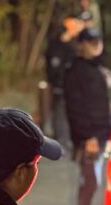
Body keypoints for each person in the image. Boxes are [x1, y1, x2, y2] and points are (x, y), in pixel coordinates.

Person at [63, 27, 111, 205]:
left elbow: (102, 105)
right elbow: (76, 108)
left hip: (101, 134)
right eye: (90, 41)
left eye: (98, 40)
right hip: (89, 138)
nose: (96, 45)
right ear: (81, 44)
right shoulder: (76, 71)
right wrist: (87, 137)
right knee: (89, 184)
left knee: (94, 182)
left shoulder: (96, 68)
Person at [45, 15, 83, 151]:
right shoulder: (57, 46)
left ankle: (68, 141)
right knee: (60, 112)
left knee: (71, 112)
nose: (78, 28)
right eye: (75, 25)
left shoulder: (75, 45)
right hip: (61, 86)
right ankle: (60, 142)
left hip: (74, 87)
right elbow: (54, 68)